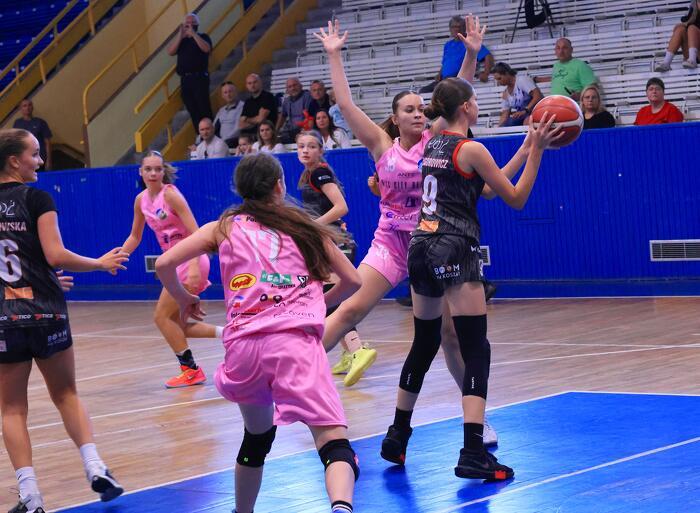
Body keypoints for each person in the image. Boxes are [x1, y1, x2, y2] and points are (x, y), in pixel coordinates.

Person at [154, 153, 362, 513]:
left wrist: (184, 297)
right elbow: (353, 281)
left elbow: (163, 263)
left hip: (244, 348)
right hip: (294, 345)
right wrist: (317, 303)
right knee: (334, 443)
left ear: (240, 189)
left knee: (257, 439)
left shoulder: (224, 227)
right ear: (280, 186)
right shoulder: (304, 227)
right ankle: (341, 507)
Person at [381, 78, 561, 479]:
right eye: (475, 99)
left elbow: (489, 188)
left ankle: (397, 434)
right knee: (476, 348)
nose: (478, 104)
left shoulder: (433, 143)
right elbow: (515, 197)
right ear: (465, 107)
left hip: (420, 247)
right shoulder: (472, 149)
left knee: (424, 342)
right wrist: (538, 153)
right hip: (454, 247)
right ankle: (473, 452)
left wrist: (525, 147)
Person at [0, 129, 128, 513]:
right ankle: (96, 467)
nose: (40, 161)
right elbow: (55, 254)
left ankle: (30, 496)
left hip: (5, 318)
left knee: (11, 410)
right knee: (66, 394)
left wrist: (38, 274)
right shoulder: (37, 198)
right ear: (14, 161)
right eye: (34, 154)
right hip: (47, 312)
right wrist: (99, 263)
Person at [120, 151, 223, 388]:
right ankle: (228, 334)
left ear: (163, 171)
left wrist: (195, 264)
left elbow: (197, 234)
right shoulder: (141, 200)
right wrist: (120, 256)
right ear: (141, 172)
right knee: (177, 326)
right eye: (148, 169)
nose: (153, 173)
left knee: (161, 317)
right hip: (173, 263)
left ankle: (191, 371)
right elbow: (135, 236)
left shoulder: (171, 195)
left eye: (158, 169)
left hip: (189, 259)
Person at [296, 130, 370, 384]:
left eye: (311, 146)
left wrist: (313, 226)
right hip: (328, 241)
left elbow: (341, 207)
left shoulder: (320, 173)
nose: (305, 150)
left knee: (332, 301)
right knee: (328, 299)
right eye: (301, 146)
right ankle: (349, 353)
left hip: (336, 242)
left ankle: (358, 350)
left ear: (321, 150)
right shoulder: (311, 174)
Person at [420, 15, 494, 93]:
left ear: (464, 28)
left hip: (458, 79)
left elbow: (488, 56)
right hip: (445, 80)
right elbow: (445, 62)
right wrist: (439, 74)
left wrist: (486, 73)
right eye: (454, 27)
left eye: (459, 27)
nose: (457, 29)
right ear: (450, 29)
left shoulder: (469, 42)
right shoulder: (448, 45)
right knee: (423, 91)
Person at [167, 13, 213, 131]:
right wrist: (180, 35)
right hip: (185, 79)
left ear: (197, 25)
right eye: (187, 23)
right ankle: (200, 134)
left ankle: (210, 133)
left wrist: (193, 34)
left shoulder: (203, 36)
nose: (190, 26)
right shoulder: (181, 40)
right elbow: (170, 52)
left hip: (200, 77)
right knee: (192, 108)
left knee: (204, 107)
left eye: (193, 23)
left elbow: (206, 49)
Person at [492, 62, 543, 127]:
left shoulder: (522, 81)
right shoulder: (505, 93)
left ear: (507, 73)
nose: (498, 82)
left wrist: (526, 110)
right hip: (523, 115)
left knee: (527, 122)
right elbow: (505, 114)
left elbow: (537, 96)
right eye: (496, 80)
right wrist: (498, 129)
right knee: (506, 125)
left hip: (537, 110)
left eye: (499, 78)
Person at [655, 0, 700, 71]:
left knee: (692, 28)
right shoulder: (694, 5)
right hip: (694, 51)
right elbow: (688, 20)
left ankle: (692, 60)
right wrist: (684, 24)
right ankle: (666, 62)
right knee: (680, 29)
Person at [12, 99, 52, 171]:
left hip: (40, 161)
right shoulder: (17, 123)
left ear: (32, 107)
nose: (27, 107)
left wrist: (49, 161)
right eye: (24, 106)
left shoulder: (40, 122)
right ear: (20, 109)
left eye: (29, 105)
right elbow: (15, 144)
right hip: (24, 162)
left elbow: (48, 143)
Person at [276, 77, 312, 143]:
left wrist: (304, 130)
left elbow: (309, 116)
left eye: (295, 85)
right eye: (290, 87)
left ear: (301, 86)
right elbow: (283, 116)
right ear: (287, 90)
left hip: (304, 128)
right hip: (290, 130)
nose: (293, 88)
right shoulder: (286, 101)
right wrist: (276, 130)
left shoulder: (307, 96)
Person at [213, 81, 245, 147]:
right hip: (221, 142)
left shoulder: (243, 107)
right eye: (225, 92)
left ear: (236, 92)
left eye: (230, 91)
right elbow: (212, 127)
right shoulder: (221, 110)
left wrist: (222, 141)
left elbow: (238, 129)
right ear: (222, 96)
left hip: (234, 141)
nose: (228, 95)